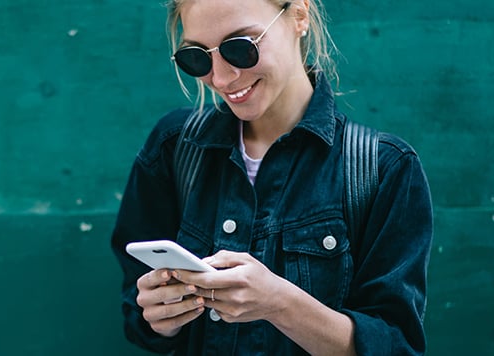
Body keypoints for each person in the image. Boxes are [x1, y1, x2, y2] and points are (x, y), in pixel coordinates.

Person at [110, 0, 433, 354]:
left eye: (240, 48)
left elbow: (397, 346)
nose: (220, 78)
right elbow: (137, 316)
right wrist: (157, 317)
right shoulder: (175, 148)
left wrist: (279, 303)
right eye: (197, 57)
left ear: (299, 15)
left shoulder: (382, 167)